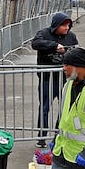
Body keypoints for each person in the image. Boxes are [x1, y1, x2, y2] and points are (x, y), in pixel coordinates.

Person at [29, 12, 78, 144]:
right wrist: (54, 46)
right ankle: (41, 137)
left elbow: (76, 51)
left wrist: (67, 52)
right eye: (64, 25)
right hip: (47, 79)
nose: (67, 28)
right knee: (44, 108)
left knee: (64, 108)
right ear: (56, 25)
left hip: (65, 79)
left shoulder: (71, 36)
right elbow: (35, 43)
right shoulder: (44, 34)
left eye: (68, 25)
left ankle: (58, 135)